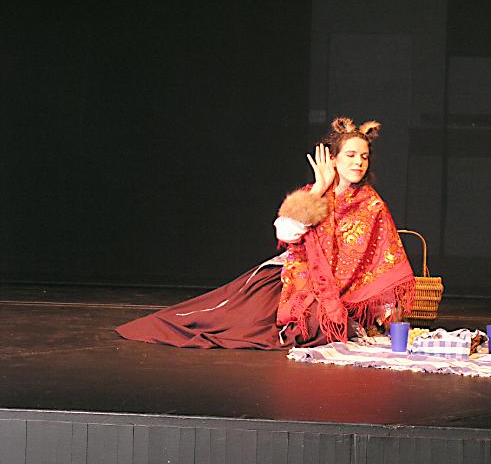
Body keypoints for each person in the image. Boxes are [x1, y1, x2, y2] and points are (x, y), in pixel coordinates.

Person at [116, 117, 415, 349]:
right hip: (291, 281)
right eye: (350, 155)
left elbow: (382, 261)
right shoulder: (315, 193)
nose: (358, 162)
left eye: (364, 157)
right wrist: (320, 188)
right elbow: (286, 232)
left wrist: (387, 319)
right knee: (222, 321)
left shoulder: (372, 204)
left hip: (339, 295)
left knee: (319, 327)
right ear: (333, 158)